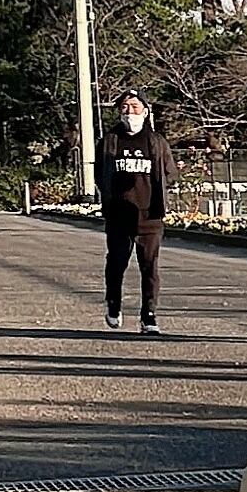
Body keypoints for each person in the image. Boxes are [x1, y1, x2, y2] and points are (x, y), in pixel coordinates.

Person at [96, 89, 177, 334]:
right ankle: (113, 304)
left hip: (150, 216)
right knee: (116, 262)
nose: (129, 112)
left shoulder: (157, 142)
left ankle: (148, 315)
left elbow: (170, 173)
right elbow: (100, 174)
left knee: (149, 267)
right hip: (118, 215)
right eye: (124, 107)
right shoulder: (109, 141)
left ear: (145, 111)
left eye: (134, 107)